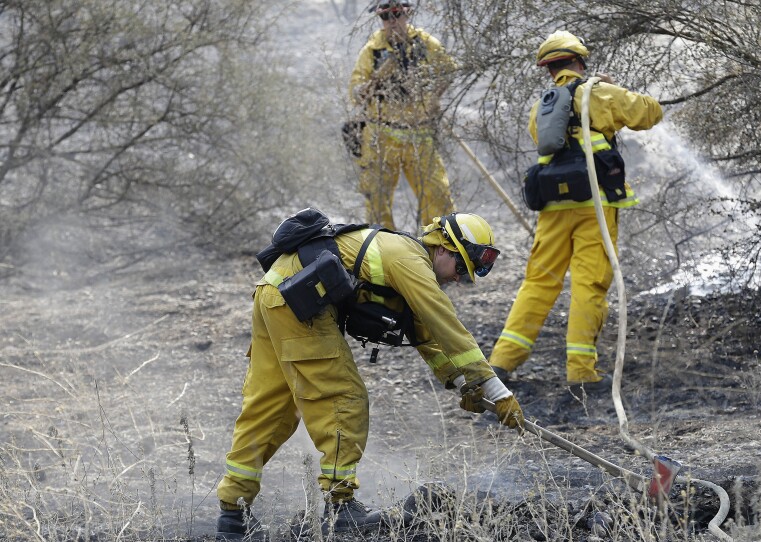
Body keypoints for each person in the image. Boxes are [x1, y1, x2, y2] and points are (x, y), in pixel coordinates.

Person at [216, 212, 524, 540]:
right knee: (344, 399)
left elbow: (426, 337)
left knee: (271, 408)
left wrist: (463, 383)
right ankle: (340, 506)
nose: (460, 279)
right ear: (444, 248)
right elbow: (444, 322)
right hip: (296, 303)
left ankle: (232, 515)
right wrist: (497, 390)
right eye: (462, 267)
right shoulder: (409, 259)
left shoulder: (406, 260)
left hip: (275, 294)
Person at [489, 31, 663, 392]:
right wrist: (613, 88)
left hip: (552, 206)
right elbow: (649, 113)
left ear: (549, 70)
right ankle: (581, 373)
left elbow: (544, 139)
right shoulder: (599, 92)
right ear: (580, 61)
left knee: (538, 282)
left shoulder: (543, 104)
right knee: (589, 284)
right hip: (594, 205)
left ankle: (501, 363)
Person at [348, 0, 456, 230]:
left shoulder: (425, 43)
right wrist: (376, 79)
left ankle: (439, 253)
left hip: (420, 134)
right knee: (377, 202)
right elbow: (356, 93)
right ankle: (385, 254)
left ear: (407, 14)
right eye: (386, 17)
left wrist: (436, 95)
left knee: (437, 196)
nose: (392, 21)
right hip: (381, 137)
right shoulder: (372, 50)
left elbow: (448, 69)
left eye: (397, 14)